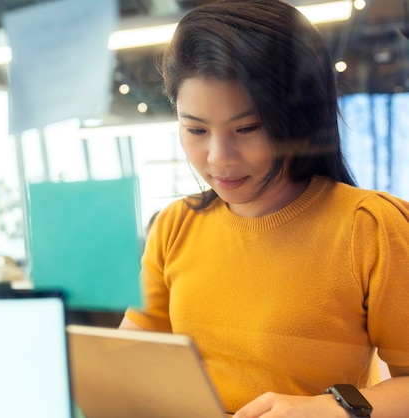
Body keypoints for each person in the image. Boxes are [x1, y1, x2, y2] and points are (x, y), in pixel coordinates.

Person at [118, 1, 409, 417]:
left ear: (299, 119)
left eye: (247, 128)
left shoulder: (371, 227)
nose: (219, 158)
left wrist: (331, 410)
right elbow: (130, 357)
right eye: (195, 129)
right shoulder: (176, 224)